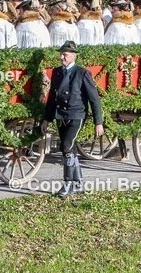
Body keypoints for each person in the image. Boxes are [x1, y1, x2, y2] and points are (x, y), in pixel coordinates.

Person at [42, 41, 104, 198]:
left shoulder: (82, 73)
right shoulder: (56, 72)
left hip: (76, 116)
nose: (62, 56)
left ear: (73, 56)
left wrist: (98, 122)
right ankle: (78, 183)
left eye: (65, 54)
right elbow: (52, 98)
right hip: (60, 115)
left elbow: (94, 99)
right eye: (61, 53)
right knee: (70, 150)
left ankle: (67, 184)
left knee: (66, 146)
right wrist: (46, 119)